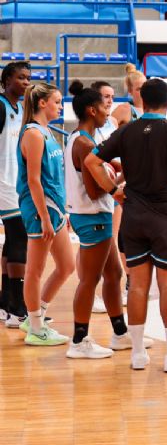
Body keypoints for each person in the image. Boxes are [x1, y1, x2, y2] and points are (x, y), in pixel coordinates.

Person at [86, 78, 167, 373]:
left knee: (138, 287)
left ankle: (138, 353)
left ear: (144, 100)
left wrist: (114, 190)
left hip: (134, 216)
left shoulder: (126, 131)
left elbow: (91, 160)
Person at [65, 81, 152, 359]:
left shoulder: (79, 138)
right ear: (91, 110)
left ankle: (119, 332)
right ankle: (79, 340)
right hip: (92, 216)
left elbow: (104, 170)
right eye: (104, 106)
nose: (108, 110)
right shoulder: (84, 143)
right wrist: (118, 185)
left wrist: (123, 170)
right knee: (89, 280)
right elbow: (93, 190)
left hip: (93, 215)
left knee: (113, 274)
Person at [18, 82, 75, 346]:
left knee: (66, 266)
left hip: (54, 208)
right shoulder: (32, 133)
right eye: (57, 101)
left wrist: (64, 210)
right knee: (36, 269)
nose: (61, 106)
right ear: (42, 103)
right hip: (40, 209)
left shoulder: (47, 132)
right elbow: (34, 181)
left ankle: (36, 315)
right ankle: (36, 328)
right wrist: (43, 216)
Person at [111, 64, 146, 303]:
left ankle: (137, 279)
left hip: (147, 181)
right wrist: (116, 164)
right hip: (127, 181)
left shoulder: (155, 111)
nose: (143, 91)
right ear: (131, 91)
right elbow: (105, 133)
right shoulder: (125, 109)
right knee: (120, 236)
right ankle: (125, 280)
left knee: (142, 234)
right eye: (139, 88)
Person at [0, 62, 31, 328]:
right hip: (2, 183)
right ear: (7, 79)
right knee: (20, 235)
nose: (25, 82)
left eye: (28, 78)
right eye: (20, 77)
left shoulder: (21, 109)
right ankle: (18, 306)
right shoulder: (0, 106)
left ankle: (5, 302)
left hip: (14, 182)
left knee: (12, 240)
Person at [89, 80, 119, 314]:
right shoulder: (88, 130)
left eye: (112, 96)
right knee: (94, 252)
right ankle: (93, 292)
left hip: (113, 187)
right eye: (105, 96)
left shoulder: (114, 122)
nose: (110, 100)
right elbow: (94, 160)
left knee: (114, 242)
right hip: (98, 189)